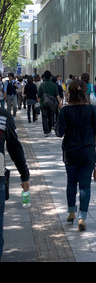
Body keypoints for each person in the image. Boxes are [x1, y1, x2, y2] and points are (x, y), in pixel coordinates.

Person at [55, 79, 96, 232]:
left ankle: (71, 211)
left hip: (70, 152)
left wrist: (60, 112)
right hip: (87, 152)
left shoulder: (65, 111)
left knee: (71, 182)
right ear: (85, 92)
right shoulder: (92, 110)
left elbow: (59, 133)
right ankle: (82, 216)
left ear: (69, 92)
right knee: (84, 185)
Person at [0, 107, 30, 261]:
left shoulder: (3, 116)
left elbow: (15, 148)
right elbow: (15, 148)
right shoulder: (3, 116)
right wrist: (25, 176)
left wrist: (25, 175)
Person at [38, 70, 62, 136]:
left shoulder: (41, 85)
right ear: (50, 77)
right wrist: (60, 103)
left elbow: (39, 96)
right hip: (52, 104)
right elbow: (57, 95)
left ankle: (46, 131)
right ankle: (49, 129)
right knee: (51, 116)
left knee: (44, 117)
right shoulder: (54, 85)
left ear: (44, 77)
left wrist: (39, 103)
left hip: (43, 103)